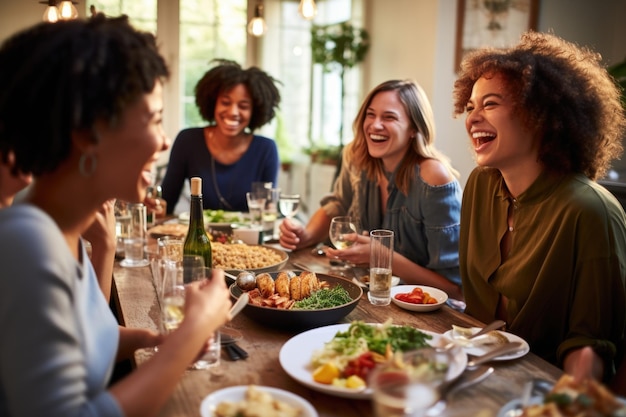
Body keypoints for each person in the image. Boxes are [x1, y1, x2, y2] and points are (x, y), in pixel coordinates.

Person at [0, 15, 232, 417]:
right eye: (156, 119)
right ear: (88, 134)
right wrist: (193, 331)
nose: (163, 142)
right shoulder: (27, 243)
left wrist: (152, 339)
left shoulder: (61, 231)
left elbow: (81, 337)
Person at [453, 31, 626, 384]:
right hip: (470, 367)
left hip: (542, 387)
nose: (472, 118)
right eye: (470, 106)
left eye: (490, 104)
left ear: (540, 114)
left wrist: (567, 400)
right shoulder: (480, 183)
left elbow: (590, 343)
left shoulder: (591, 210)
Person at [279, 79, 463, 300]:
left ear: (414, 128)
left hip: (423, 308)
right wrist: (306, 235)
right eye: (370, 114)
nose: (375, 125)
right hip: (368, 295)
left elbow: (455, 289)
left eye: (389, 117)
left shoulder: (433, 176)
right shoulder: (356, 156)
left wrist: (382, 256)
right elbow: (337, 204)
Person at [161, 59, 281, 213]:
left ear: (255, 111)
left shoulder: (266, 149)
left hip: (247, 237)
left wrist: (271, 209)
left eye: (243, 106)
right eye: (225, 102)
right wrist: (156, 206)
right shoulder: (188, 141)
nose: (233, 112)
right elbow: (166, 202)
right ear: (213, 103)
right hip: (201, 235)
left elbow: (268, 211)